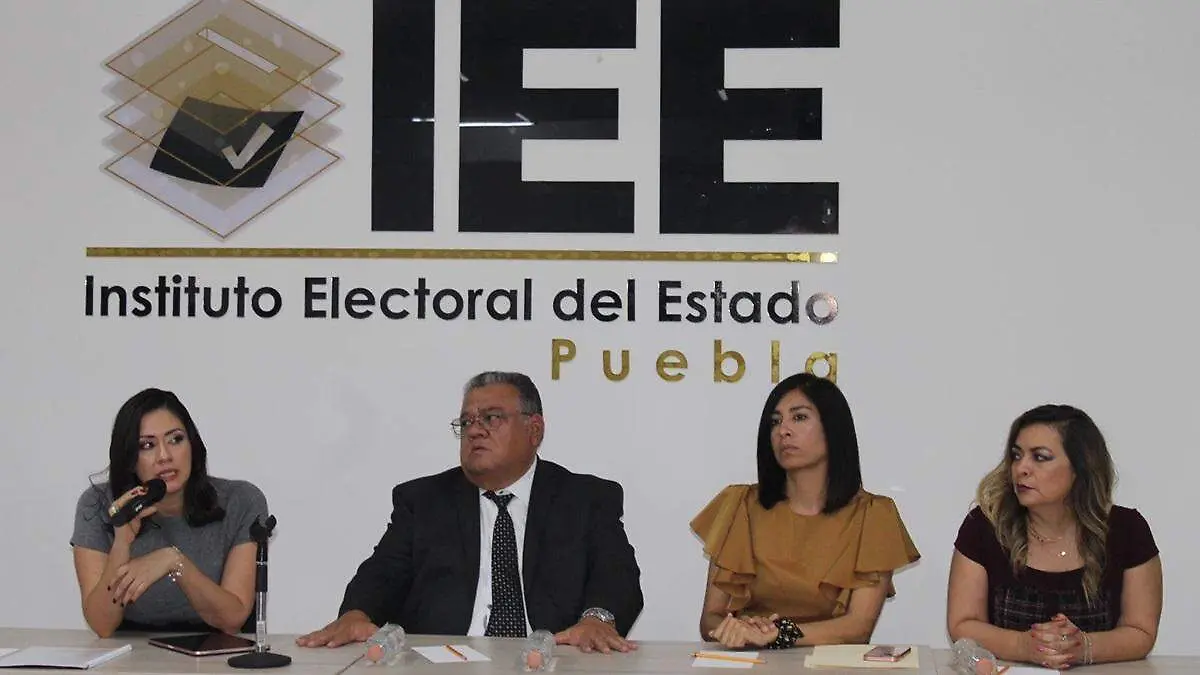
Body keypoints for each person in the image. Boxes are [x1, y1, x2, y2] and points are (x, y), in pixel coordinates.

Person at [298, 371, 643, 653]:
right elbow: (383, 572)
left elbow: (617, 574)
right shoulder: (423, 501)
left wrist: (598, 619)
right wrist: (356, 614)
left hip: (550, 659)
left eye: (491, 418)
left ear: (534, 430)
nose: (475, 430)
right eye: (466, 422)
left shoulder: (585, 498)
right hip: (445, 663)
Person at [690, 373, 920, 649]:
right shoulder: (740, 505)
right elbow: (710, 620)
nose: (783, 431)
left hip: (829, 664)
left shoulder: (874, 515)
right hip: (751, 662)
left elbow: (858, 627)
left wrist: (777, 634)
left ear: (832, 428)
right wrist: (738, 630)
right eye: (775, 421)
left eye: (799, 417)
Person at [947, 404, 1162, 669]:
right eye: (1016, 456)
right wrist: (1023, 646)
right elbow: (963, 624)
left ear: (1080, 467)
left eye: (1040, 457)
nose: (1021, 468)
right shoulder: (984, 526)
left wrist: (1084, 647)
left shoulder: (1128, 529)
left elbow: (1141, 632)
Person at [71, 388, 269, 637]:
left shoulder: (240, 501)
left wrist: (174, 562)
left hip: (215, 650)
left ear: (192, 445)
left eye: (175, 439)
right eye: (147, 445)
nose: (164, 456)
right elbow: (102, 625)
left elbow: (232, 619)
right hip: (132, 652)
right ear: (130, 458)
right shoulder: (99, 505)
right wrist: (122, 543)